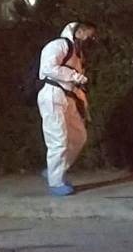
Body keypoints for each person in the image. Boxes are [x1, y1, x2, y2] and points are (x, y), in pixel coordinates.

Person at [37, 21, 97, 196]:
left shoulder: (77, 54)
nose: (88, 37)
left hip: (67, 97)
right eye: (86, 32)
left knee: (79, 137)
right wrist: (74, 76)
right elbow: (48, 68)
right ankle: (55, 181)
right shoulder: (59, 45)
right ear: (77, 31)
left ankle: (54, 171)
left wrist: (84, 105)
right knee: (58, 140)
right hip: (52, 95)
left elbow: (77, 84)